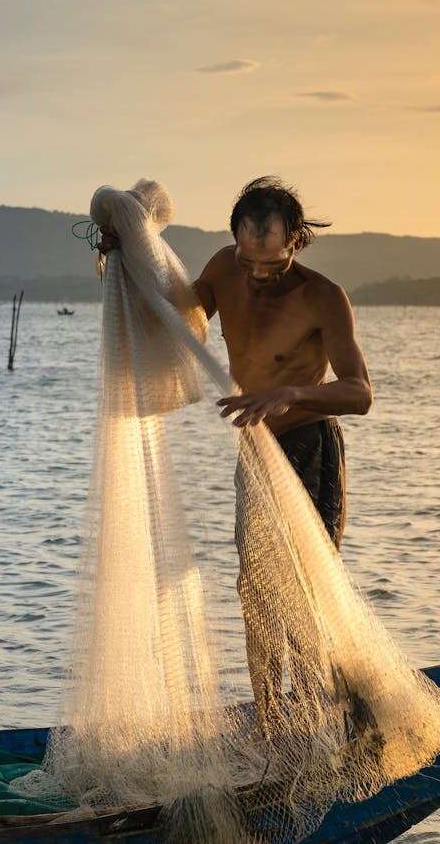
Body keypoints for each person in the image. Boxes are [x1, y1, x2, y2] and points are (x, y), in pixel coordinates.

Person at [98, 176, 373, 733]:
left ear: (295, 241)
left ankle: (330, 707)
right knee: (257, 588)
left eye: (269, 263)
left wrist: (292, 393)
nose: (257, 274)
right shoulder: (226, 270)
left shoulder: (322, 296)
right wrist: (122, 259)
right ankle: (273, 721)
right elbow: (173, 314)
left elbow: (359, 392)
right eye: (248, 261)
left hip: (309, 446)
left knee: (306, 586)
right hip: (256, 451)